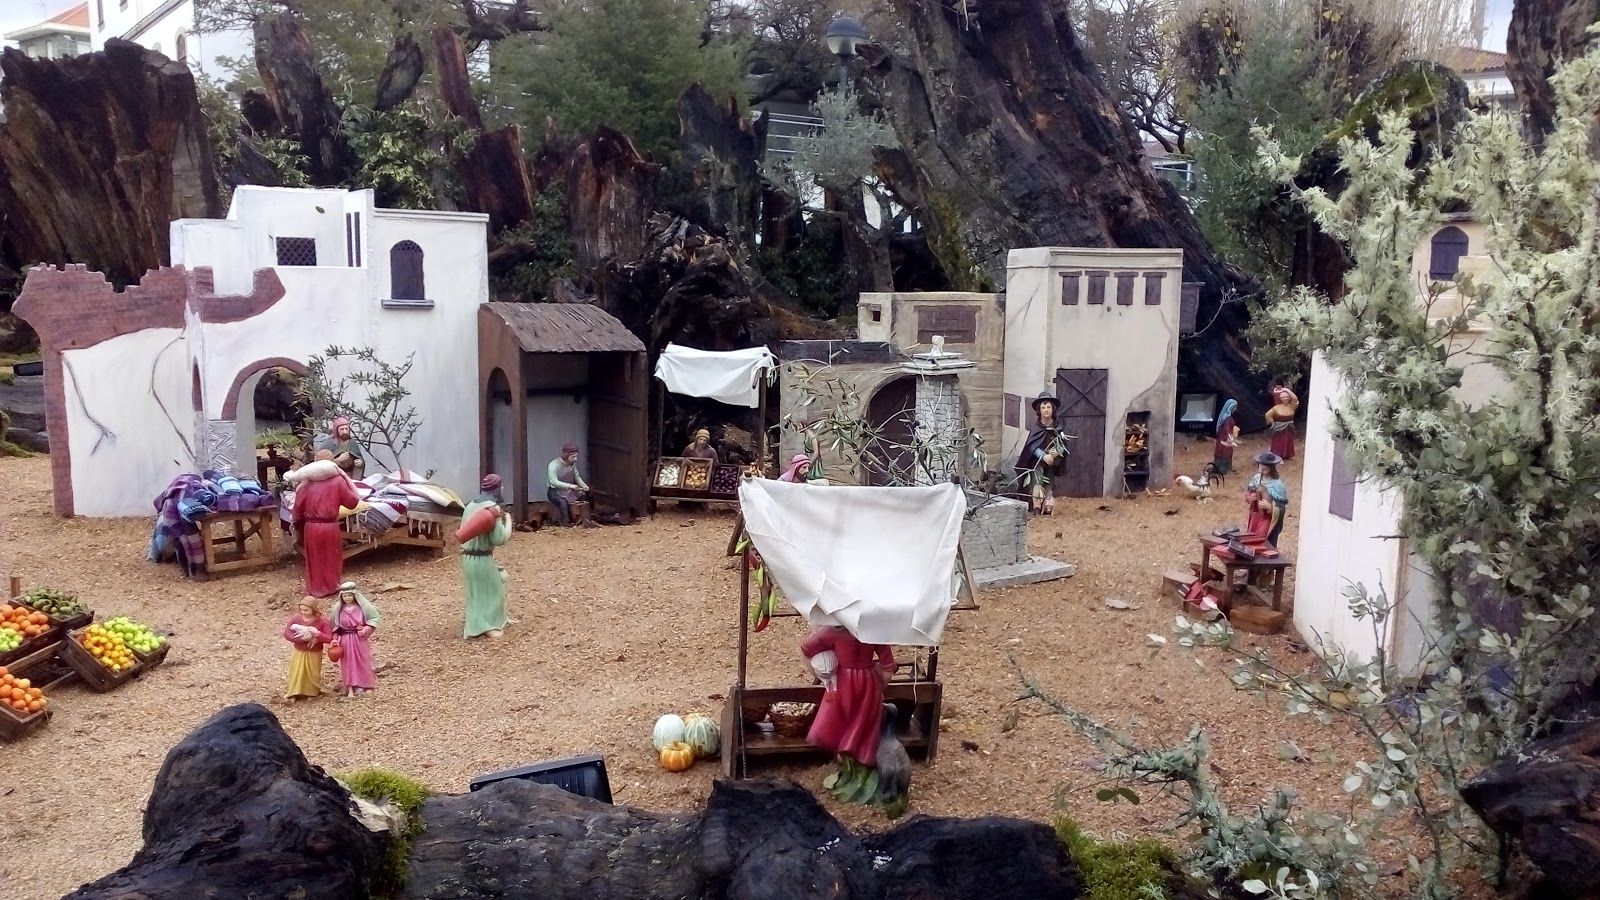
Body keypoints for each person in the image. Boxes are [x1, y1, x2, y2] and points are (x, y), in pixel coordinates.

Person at [800, 624, 896, 766]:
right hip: (868, 683)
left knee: (840, 718)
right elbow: (888, 666)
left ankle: (845, 756)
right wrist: (880, 686)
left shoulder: (830, 632)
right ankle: (859, 757)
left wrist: (821, 676)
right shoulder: (875, 631)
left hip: (842, 682)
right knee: (863, 719)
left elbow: (806, 650)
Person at [289, 453, 359, 598]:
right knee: (332, 555)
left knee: (314, 557)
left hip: (311, 526)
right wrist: (346, 478)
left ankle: (316, 589)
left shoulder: (306, 483)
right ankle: (331, 586)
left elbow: (297, 510)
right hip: (330, 525)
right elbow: (352, 502)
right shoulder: (337, 481)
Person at [461, 474, 514, 639]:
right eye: (502, 486)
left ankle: (496, 619)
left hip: (468, 557)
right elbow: (499, 539)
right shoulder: (492, 509)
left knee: (477, 592)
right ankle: (487, 626)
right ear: (497, 488)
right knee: (494, 591)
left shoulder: (470, 505)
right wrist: (509, 522)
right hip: (481, 558)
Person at [1013, 391, 1068, 515]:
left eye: (1048, 407)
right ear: (1039, 410)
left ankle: (1048, 506)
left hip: (1052, 462)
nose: (1046, 410)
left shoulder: (1058, 427)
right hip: (1037, 462)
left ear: (1053, 409)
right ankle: (1037, 506)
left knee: (1049, 482)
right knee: (1037, 481)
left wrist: (1057, 452)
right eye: (1043, 407)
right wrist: (1042, 455)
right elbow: (1031, 445)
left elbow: (1063, 444)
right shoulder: (1037, 428)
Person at [328, 582, 381, 699]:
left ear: (355, 595)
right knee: (348, 663)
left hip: (359, 638)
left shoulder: (361, 608)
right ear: (341, 597)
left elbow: (373, 620)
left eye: (350, 595)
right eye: (345, 596)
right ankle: (350, 686)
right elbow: (334, 627)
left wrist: (366, 629)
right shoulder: (338, 610)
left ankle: (366, 685)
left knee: (363, 660)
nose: (347, 598)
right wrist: (335, 639)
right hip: (345, 639)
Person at [282, 596, 333, 701]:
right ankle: (295, 692)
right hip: (299, 650)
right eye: (301, 610)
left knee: (312, 672)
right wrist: (300, 639)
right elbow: (287, 633)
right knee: (296, 670)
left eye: (306, 610)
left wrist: (317, 636)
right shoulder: (296, 618)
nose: (303, 612)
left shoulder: (322, 620)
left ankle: (311, 692)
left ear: (314, 609)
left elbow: (329, 638)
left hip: (314, 651)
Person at [1245, 451, 1290, 547]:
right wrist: (1250, 497)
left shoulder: (1277, 485)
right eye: (1260, 468)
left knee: (1263, 541)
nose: (1261, 472)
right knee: (1251, 538)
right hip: (1256, 515)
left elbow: (1281, 507)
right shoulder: (1256, 478)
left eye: (1265, 469)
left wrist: (1270, 507)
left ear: (1271, 469)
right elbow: (1248, 492)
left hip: (1267, 519)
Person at [547, 442, 593, 527]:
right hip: (555, 491)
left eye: (576, 456)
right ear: (566, 456)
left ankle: (582, 518)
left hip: (569, 490)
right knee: (562, 502)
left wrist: (583, 485)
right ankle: (565, 522)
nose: (575, 459)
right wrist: (570, 486)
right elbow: (553, 482)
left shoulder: (572, 465)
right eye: (573, 457)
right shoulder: (553, 465)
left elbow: (576, 476)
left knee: (584, 496)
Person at [1267, 381, 1299, 461]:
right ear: (1281, 398)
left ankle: (1287, 454)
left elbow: (1295, 399)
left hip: (1289, 428)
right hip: (1279, 427)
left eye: (1287, 397)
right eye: (1283, 397)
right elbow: (1268, 415)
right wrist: (1272, 423)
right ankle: (1277, 456)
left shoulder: (1292, 406)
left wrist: (1287, 390)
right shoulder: (1276, 408)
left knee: (1288, 441)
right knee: (1278, 442)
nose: (1286, 399)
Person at [1213, 398, 1240, 476]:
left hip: (1221, 439)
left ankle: (1221, 468)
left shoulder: (1224, 417)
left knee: (1222, 452)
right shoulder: (1228, 418)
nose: (1236, 409)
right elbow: (1227, 429)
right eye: (1235, 407)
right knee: (1225, 453)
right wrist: (1230, 437)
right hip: (1225, 439)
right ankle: (1223, 469)